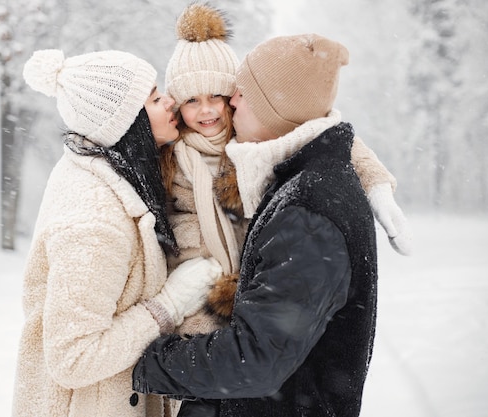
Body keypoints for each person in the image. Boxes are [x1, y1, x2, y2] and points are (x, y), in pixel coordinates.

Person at [133, 33, 388, 417]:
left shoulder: (308, 211)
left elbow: (255, 361)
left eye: (242, 94)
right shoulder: (299, 179)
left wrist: (145, 361)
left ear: (276, 110)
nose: (231, 102)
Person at [159, 4, 410, 336]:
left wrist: (377, 186)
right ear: (177, 104)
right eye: (191, 100)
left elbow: (324, 133)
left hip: (259, 273)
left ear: (233, 96)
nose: (206, 110)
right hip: (197, 279)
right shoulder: (172, 152)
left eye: (216, 96)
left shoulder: (253, 133)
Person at [11, 49, 223, 417]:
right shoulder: (95, 222)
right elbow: (73, 357)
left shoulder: (100, 171)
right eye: (155, 98)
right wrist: (168, 306)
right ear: (127, 123)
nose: (170, 101)